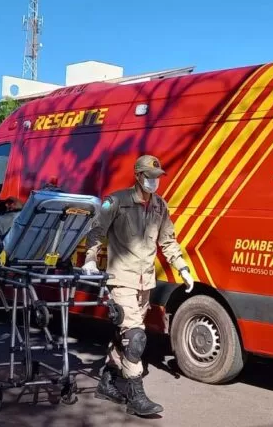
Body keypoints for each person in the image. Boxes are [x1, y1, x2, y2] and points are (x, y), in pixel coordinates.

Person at [82, 155, 194, 416]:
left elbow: (168, 241)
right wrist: (90, 259)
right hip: (122, 279)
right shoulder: (116, 202)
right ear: (138, 176)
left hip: (145, 283)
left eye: (157, 177)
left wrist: (182, 268)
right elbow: (96, 231)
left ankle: (108, 380)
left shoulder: (159, 206)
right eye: (149, 177)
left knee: (123, 334)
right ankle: (136, 396)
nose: (154, 181)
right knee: (135, 337)